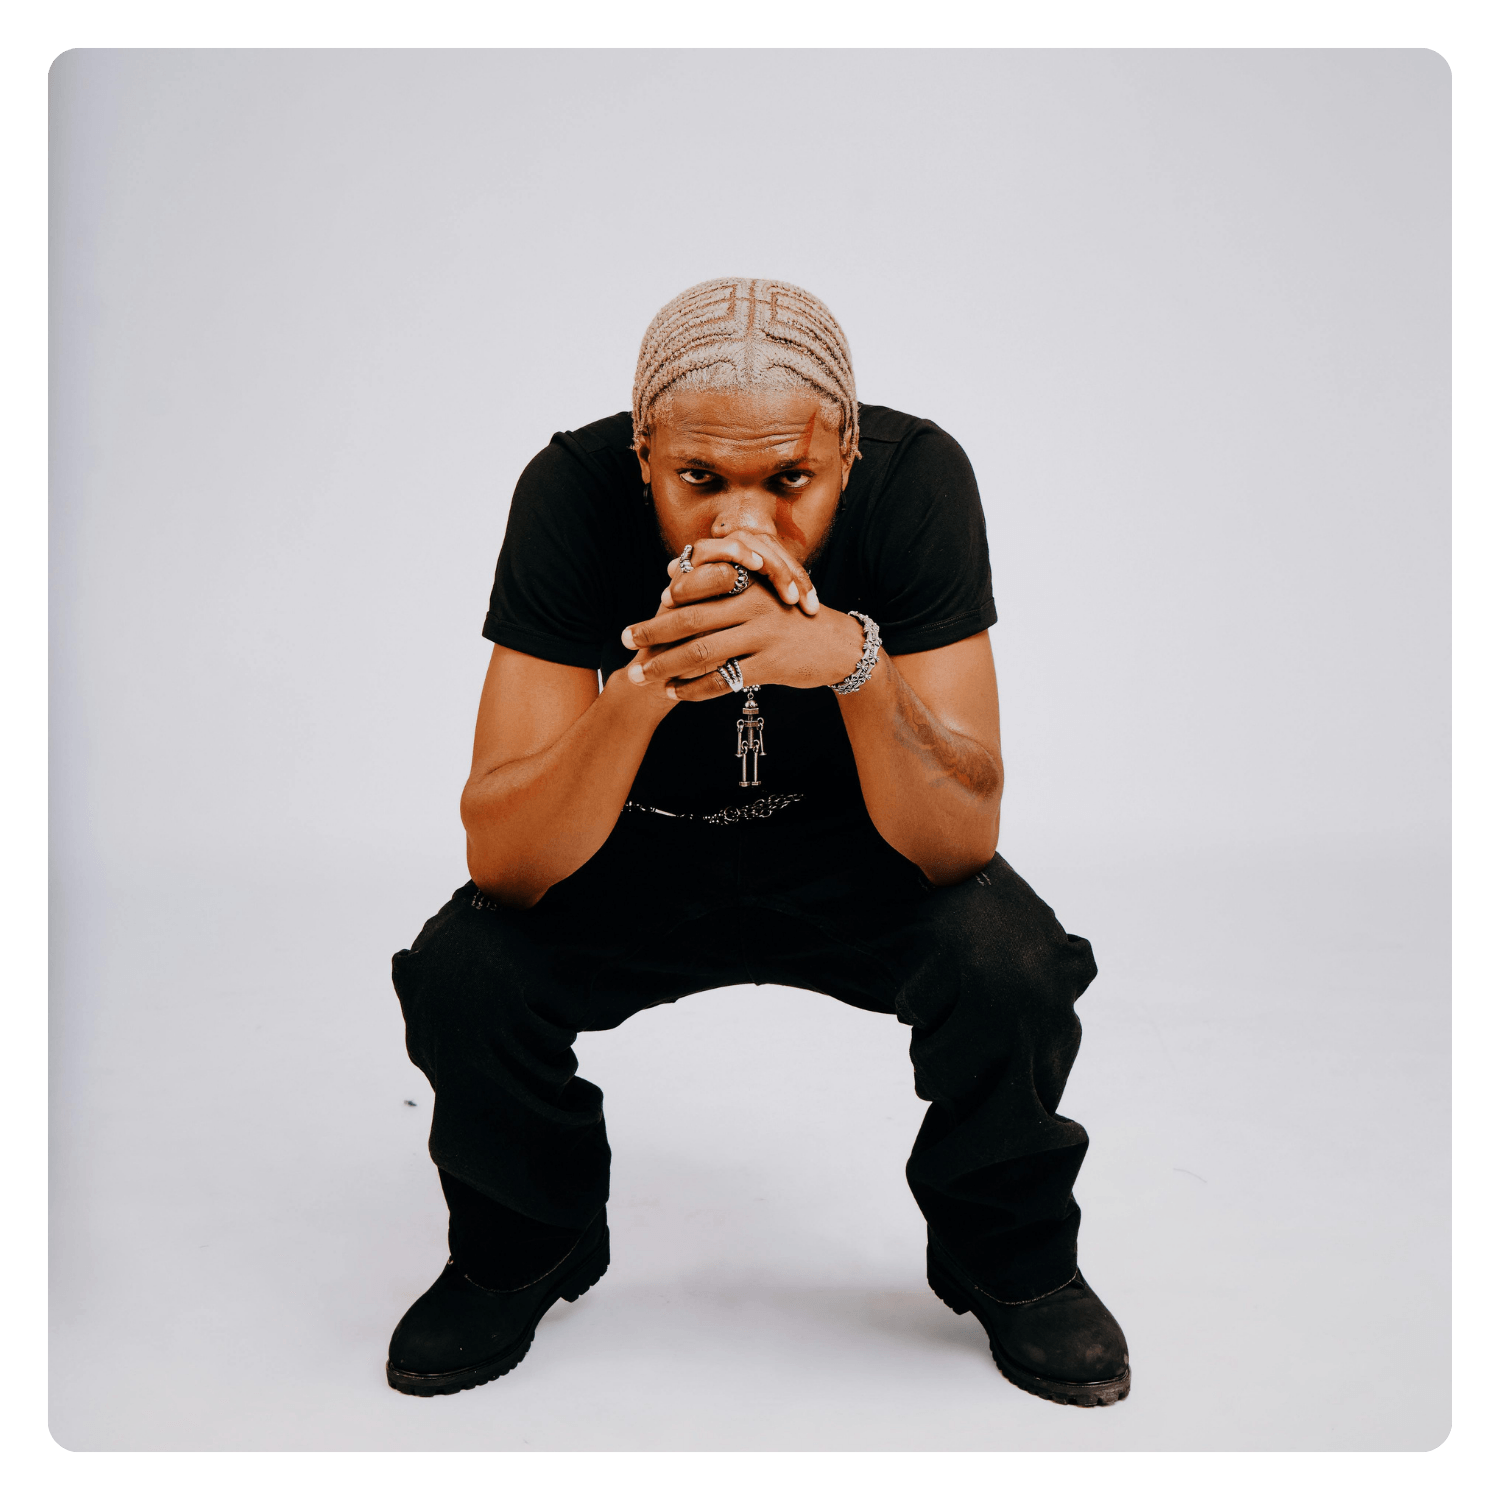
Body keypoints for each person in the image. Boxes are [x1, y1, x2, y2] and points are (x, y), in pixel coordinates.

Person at [386, 278, 1129, 1407]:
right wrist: (648, 680)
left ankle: (1011, 1263)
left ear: (847, 453)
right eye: (700, 480)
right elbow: (507, 857)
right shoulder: (572, 492)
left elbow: (960, 840)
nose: (748, 523)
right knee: (465, 970)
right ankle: (520, 1246)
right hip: (629, 848)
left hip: (865, 851)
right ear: (643, 455)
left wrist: (849, 663)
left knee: (1010, 960)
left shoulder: (920, 476)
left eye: (791, 480)